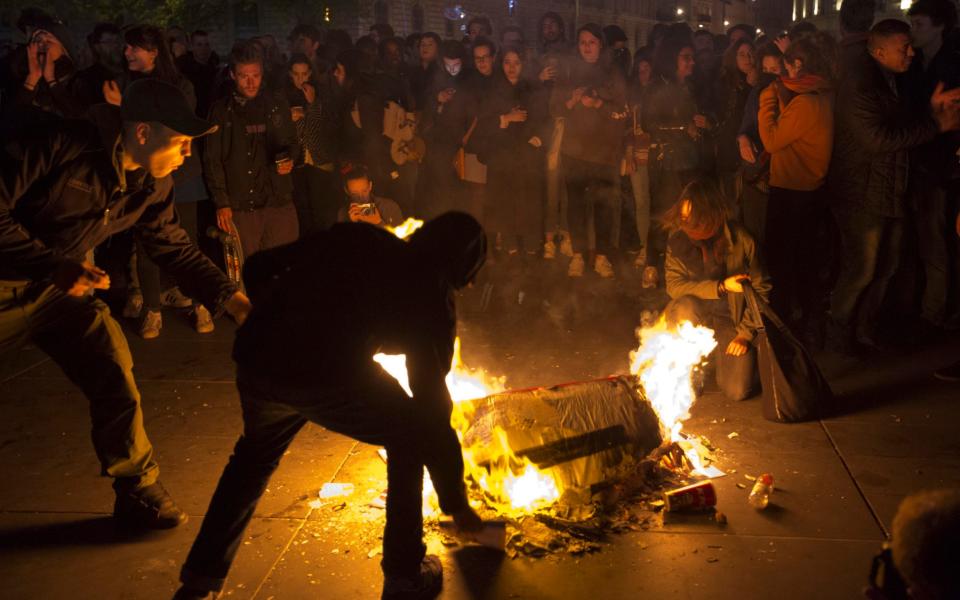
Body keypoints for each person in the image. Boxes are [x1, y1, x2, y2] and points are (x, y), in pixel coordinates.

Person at [174, 212, 486, 600]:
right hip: (325, 373)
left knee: (252, 458)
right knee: (409, 436)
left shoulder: (361, 237)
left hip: (260, 357)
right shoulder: (432, 297)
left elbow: (258, 265)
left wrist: (274, 318)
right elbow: (430, 408)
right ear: (462, 269)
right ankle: (405, 576)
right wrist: (456, 502)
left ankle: (200, 582)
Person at [0, 78, 251, 529]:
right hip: (6, 282)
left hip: (58, 291)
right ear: (142, 133)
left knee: (109, 357)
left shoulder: (153, 186)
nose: (186, 154)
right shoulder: (63, 144)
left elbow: (172, 245)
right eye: (179, 142)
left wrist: (234, 303)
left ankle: (137, 489)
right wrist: (53, 265)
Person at [828, 19, 960, 353]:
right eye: (904, 47)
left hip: (888, 187)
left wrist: (931, 111)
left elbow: (900, 126)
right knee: (861, 269)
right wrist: (935, 124)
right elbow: (878, 138)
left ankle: (864, 331)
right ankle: (839, 335)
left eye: (911, 45)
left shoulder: (894, 80)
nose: (911, 53)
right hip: (862, 192)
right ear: (879, 50)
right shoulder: (861, 84)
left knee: (886, 267)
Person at [757, 32, 837, 338]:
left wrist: (767, 100)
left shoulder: (807, 103)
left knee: (784, 262)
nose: (783, 73)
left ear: (798, 64)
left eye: (786, 67)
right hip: (809, 191)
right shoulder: (823, 92)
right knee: (804, 260)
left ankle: (786, 328)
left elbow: (773, 140)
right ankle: (807, 323)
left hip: (793, 192)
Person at [663, 179, 770, 401]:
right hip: (696, 312)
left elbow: (762, 289)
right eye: (684, 219)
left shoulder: (741, 240)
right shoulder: (678, 240)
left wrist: (745, 334)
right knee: (683, 307)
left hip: (731, 317)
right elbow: (675, 286)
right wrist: (721, 287)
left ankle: (741, 358)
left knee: (737, 390)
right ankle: (689, 368)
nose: (687, 225)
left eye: (694, 219)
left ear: (713, 215)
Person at [204, 41, 300, 258]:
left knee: (284, 264)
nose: (250, 83)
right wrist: (222, 202)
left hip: (278, 200)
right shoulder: (221, 111)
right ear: (232, 75)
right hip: (241, 206)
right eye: (243, 76)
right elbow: (212, 160)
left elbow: (293, 142)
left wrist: (290, 160)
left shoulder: (276, 103)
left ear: (262, 73)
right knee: (248, 269)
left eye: (255, 75)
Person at [549, 23, 627, 278]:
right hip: (574, 153)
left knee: (604, 206)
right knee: (576, 207)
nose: (587, 47)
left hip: (604, 153)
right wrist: (571, 100)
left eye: (592, 42)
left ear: (600, 45)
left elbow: (621, 111)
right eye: (582, 42)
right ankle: (580, 255)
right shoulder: (570, 71)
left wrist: (597, 103)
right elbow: (555, 109)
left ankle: (602, 256)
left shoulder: (612, 73)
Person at [906, 0, 960, 333]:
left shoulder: (951, 65)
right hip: (919, 159)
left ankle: (934, 312)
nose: (913, 32)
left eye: (920, 25)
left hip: (942, 165)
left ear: (940, 26)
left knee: (936, 240)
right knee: (922, 239)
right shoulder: (916, 64)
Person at [643, 34, 705, 282]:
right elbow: (649, 122)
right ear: (672, 60)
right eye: (685, 58)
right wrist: (683, 127)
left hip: (688, 161)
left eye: (693, 58)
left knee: (687, 214)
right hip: (665, 161)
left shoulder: (689, 87)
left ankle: (680, 265)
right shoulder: (657, 87)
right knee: (662, 213)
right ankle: (653, 263)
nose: (692, 63)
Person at [477, 46, 550, 256]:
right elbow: (483, 122)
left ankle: (530, 245)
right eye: (507, 62)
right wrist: (506, 118)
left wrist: (537, 139)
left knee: (528, 200)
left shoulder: (533, 89)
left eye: (516, 63)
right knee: (504, 200)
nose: (511, 67)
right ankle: (508, 244)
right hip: (501, 155)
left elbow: (544, 119)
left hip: (527, 156)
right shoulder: (492, 90)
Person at [415, 41, 474, 219]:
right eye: (449, 65)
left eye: (456, 65)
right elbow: (425, 108)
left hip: (457, 140)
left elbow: (475, 113)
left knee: (450, 183)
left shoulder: (469, 80)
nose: (453, 69)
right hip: (434, 141)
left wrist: (465, 137)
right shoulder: (436, 79)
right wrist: (437, 99)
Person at [737, 42, 784, 246]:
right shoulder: (758, 92)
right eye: (765, 69)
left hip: (783, 170)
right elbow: (746, 125)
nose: (769, 74)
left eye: (774, 69)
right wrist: (742, 138)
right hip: (757, 170)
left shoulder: (791, 95)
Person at [336, 163, 404, 227]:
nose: (361, 197)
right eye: (354, 193)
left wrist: (378, 222)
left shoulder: (388, 207)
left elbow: (399, 237)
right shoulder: (343, 213)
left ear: (370, 186)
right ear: (347, 191)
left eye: (364, 191)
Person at [176, 30, 220, 119]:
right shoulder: (185, 72)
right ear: (192, 47)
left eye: (207, 44)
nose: (203, 49)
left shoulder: (216, 71)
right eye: (199, 45)